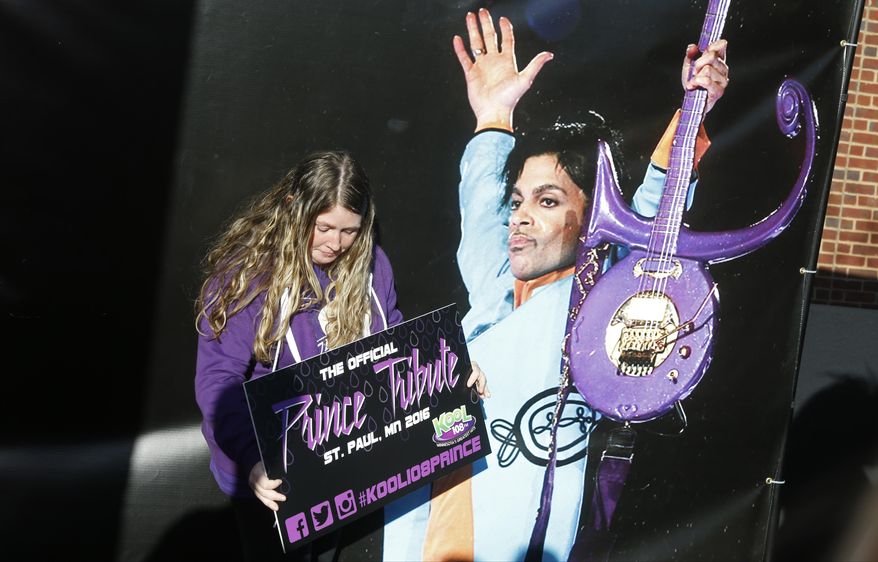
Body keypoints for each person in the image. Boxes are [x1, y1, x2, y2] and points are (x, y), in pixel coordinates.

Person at [383, 8, 729, 562]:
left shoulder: (601, 298)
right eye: (518, 201)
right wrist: (493, 118)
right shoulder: (494, 288)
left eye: (548, 201)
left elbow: (655, 214)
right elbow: (481, 206)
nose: (520, 216)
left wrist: (691, 115)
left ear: (595, 220)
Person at [194, 150, 488, 561]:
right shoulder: (247, 276)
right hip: (271, 468)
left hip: (343, 459)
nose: (335, 243)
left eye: (349, 230)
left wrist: (448, 367)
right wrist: (252, 460)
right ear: (294, 207)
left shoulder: (371, 265)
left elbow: (393, 341)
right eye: (324, 227)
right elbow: (218, 381)